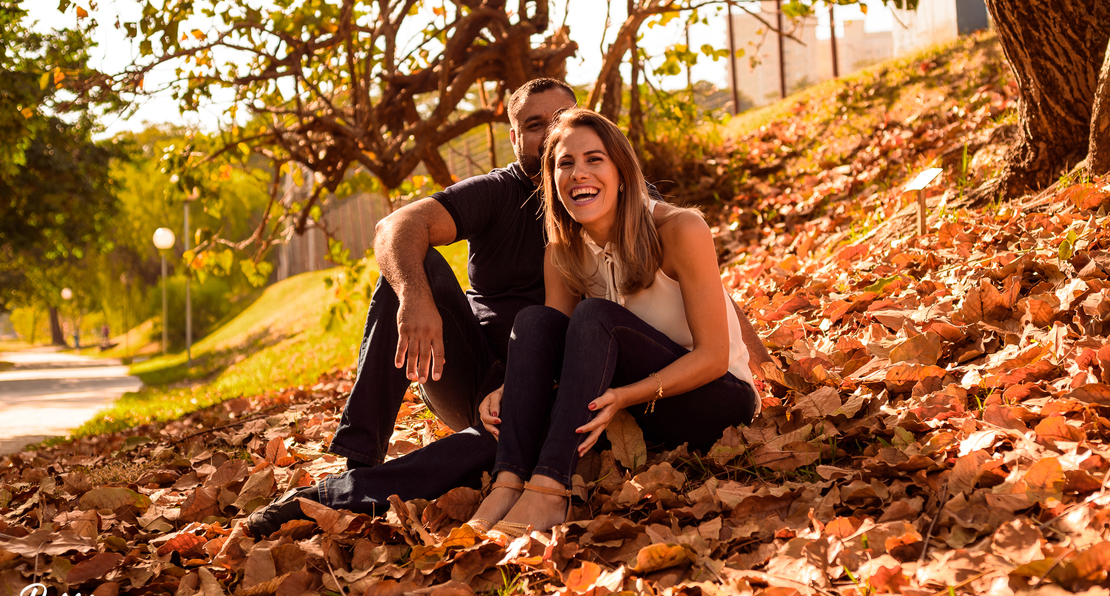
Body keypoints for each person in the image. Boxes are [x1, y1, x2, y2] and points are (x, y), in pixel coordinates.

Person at [243, 87, 771, 538]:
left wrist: (754, 353)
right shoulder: (552, 233)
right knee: (473, 308)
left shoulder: (639, 208)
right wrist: (424, 305)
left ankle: (529, 488)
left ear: (615, 159)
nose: (561, 149)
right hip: (512, 377)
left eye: (573, 135)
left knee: (532, 395)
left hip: (628, 385)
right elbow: (545, 324)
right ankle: (354, 476)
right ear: (517, 138)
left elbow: (705, 306)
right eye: (542, 135)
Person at [466, 109, 759, 537]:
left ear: (622, 172)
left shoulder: (680, 229)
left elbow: (714, 357)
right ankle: (508, 481)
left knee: (595, 315)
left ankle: (549, 489)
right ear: (552, 184)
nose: (578, 174)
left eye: (594, 159)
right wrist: (511, 387)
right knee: (533, 320)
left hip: (717, 401)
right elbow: (549, 346)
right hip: (641, 412)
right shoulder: (561, 251)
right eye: (565, 164)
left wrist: (623, 396)